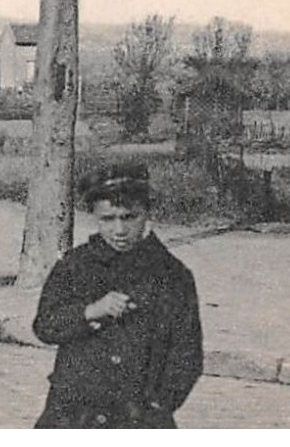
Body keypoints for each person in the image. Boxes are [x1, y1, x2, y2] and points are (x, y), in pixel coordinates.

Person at [32, 162, 203, 429]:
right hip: (73, 414)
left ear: (146, 213)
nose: (119, 230)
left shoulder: (172, 275)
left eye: (129, 217)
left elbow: (187, 353)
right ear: (95, 217)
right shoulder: (75, 265)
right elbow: (45, 325)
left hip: (138, 417)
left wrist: (160, 404)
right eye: (107, 220)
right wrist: (89, 312)